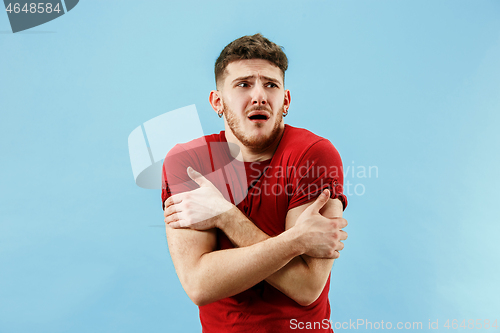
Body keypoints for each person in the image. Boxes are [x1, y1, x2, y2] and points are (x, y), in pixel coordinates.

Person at [161, 33, 348, 333]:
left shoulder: (314, 155)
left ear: (285, 100)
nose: (259, 95)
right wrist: (295, 241)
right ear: (217, 101)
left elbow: (306, 286)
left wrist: (225, 215)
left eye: (271, 85)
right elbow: (198, 283)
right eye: (243, 84)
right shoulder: (189, 162)